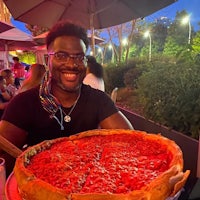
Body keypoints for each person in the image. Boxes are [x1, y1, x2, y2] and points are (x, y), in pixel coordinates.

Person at [0, 20, 133, 175]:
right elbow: (4, 155)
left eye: (79, 57)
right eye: (61, 55)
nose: (72, 64)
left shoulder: (98, 100)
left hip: (90, 185)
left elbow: (130, 142)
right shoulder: (24, 103)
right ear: (48, 60)